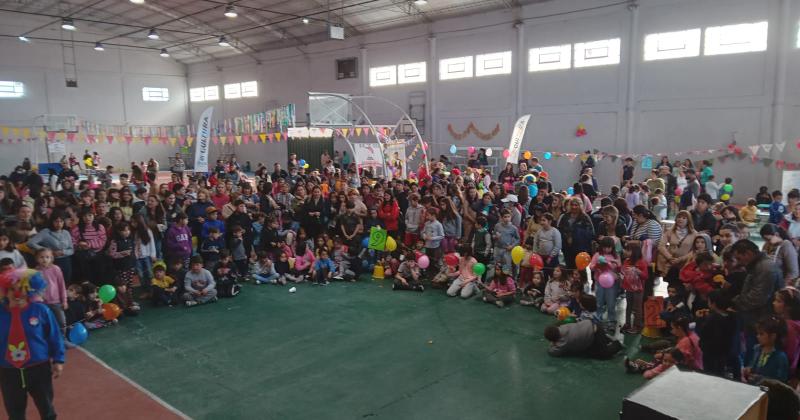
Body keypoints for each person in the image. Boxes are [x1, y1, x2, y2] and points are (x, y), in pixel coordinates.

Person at [0, 267, 65, 420]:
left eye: (22, 289)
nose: (16, 293)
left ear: (30, 290)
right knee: (15, 414)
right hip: (9, 372)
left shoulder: (41, 310)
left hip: (39, 369)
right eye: (11, 289)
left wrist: (58, 360)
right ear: (4, 291)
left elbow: (55, 337)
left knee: (47, 408)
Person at [743, 317, 789, 384]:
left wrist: (760, 378)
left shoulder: (781, 357)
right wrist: (748, 370)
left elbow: (781, 381)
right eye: (757, 333)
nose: (757, 336)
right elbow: (753, 367)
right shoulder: (757, 350)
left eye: (761, 334)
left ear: (773, 336)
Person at [544, 320, 622, 359]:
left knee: (602, 354)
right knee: (587, 352)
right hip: (590, 324)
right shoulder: (561, 327)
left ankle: (617, 344)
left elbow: (553, 352)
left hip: (595, 334)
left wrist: (552, 344)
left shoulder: (563, 342)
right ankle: (605, 338)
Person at [621, 242, 648, 334]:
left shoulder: (642, 262)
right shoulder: (626, 261)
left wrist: (638, 271)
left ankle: (638, 325)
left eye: (628, 250)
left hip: (638, 290)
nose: (626, 252)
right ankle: (627, 323)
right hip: (628, 288)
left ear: (634, 252)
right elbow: (623, 272)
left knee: (637, 307)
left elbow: (645, 276)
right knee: (628, 306)